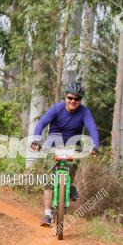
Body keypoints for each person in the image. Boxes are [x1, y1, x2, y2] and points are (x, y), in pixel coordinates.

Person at [30, 81, 100, 227]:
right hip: (53, 144)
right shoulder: (57, 108)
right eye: (70, 98)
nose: (73, 101)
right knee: (49, 180)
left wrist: (95, 145)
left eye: (77, 99)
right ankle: (48, 214)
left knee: (73, 163)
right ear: (65, 97)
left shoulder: (84, 112)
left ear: (80, 100)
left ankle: (71, 183)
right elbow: (41, 123)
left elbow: (92, 128)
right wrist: (36, 139)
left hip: (72, 145)